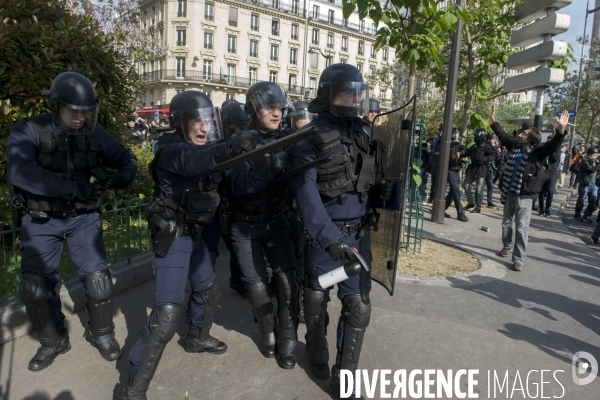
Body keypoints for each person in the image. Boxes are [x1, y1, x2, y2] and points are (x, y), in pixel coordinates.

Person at [115, 90, 262, 399]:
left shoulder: (207, 147)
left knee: (208, 289)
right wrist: (229, 148)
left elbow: (233, 173)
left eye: (207, 121)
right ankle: (133, 387)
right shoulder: (173, 151)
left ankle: (196, 337)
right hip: (174, 237)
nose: (203, 128)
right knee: (166, 316)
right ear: (180, 122)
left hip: (195, 236)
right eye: (196, 121)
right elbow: (198, 160)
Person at [6, 72, 138, 371]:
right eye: (74, 111)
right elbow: (19, 171)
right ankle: (53, 341)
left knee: (99, 282)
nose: (80, 118)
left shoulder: (94, 134)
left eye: (86, 113)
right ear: (57, 105)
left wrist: (119, 178)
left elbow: (127, 158)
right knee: (34, 290)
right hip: (41, 220)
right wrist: (71, 189)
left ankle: (101, 333)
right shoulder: (29, 129)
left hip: (82, 218)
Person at [288, 63, 386, 399]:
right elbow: (307, 198)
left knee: (358, 306)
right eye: (347, 92)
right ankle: (316, 352)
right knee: (316, 300)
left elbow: (375, 183)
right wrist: (331, 239)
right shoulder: (309, 139)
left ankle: (344, 380)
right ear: (329, 95)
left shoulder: (366, 134)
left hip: (358, 240)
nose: (355, 99)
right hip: (326, 244)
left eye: (358, 92)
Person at [225, 81, 298, 370]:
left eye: (279, 106)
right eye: (269, 107)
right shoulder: (242, 141)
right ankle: (267, 332)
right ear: (255, 109)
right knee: (256, 289)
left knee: (288, 283)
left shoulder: (292, 137)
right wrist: (268, 170)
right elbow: (237, 184)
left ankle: (288, 339)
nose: (276, 112)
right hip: (246, 225)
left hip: (278, 221)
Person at [490, 106, 569, 271]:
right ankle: (507, 246)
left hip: (525, 195)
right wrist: (494, 121)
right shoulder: (515, 147)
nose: (520, 135)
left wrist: (561, 130)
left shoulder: (537, 152)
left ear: (532, 138)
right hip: (509, 192)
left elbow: (553, 146)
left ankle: (518, 259)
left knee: (521, 227)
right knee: (506, 223)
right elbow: (503, 136)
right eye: (521, 132)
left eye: (524, 133)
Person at [463, 128, 497, 213]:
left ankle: (478, 207)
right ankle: (471, 203)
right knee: (466, 185)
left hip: (481, 169)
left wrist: (484, 159)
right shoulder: (475, 145)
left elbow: (494, 155)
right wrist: (461, 153)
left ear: (481, 136)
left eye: (476, 135)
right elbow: (467, 152)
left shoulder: (487, 145)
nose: (474, 137)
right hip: (473, 168)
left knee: (479, 188)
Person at [444, 128, 469, 222]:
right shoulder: (447, 145)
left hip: (456, 171)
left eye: (457, 134)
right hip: (450, 171)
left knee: (452, 193)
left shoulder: (460, 147)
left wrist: (463, 157)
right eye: (454, 134)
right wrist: (455, 156)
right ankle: (460, 213)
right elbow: (447, 157)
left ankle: (442, 209)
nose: (456, 136)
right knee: (457, 192)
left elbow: (465, 157)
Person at [574, 146, 600, 222]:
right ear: (591, 154)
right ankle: (577, 214)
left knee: (593, 200)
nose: (597, 155)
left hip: (594, 184)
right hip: (585, 183)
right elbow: (590, 170)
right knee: (581, 200)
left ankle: (587, 215)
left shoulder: (596, 161)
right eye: (595, 154)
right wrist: (598, 165)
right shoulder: (585, 160)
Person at [537, 135, 562, 217]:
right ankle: (541, 209)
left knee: (550, 192)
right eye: (548, 141)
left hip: (552, 173)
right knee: (541, 192)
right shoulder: (544, 147)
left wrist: (551, 150)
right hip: (543, 172)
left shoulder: (557, 149)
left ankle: (547, 209)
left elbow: (555, 159)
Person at [485, 133, 499, 208]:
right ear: (489, 139)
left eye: (495, 139)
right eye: (493, 139)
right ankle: (478, 201)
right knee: (480, 185)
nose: (494, 141)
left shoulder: (496, 147)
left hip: (490, 168)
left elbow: (497, 158)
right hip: (484, 168)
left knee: (490, 185)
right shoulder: (486, 146)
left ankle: (489, 201)